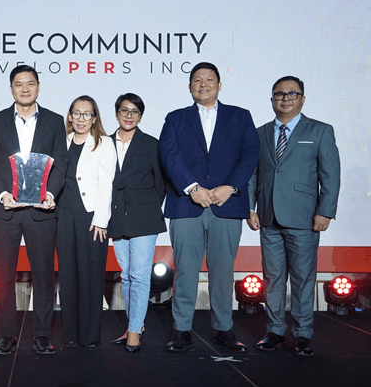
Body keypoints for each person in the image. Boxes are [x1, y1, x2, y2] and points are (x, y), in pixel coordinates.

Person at [159, 62, 259, 352]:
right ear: (189, 86)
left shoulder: (240, 116)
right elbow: (169, 155)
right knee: (185, 270)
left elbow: (250, 154)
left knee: (223, 270)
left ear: (219, 85)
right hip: (186, 204)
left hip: (227, 204)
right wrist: (192, 188)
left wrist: (231, 187)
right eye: (197, 80)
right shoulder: (175, 118)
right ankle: (181, 330)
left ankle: (224, 329)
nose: (203, 84)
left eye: (209, 79)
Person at [0, 65, 69, 355]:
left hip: (41, 211)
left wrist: (51, 193)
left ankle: (42, 334)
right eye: (19, 84)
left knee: (43, 274)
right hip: (5, 210)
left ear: (38, 86)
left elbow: (61, 163)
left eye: (30, 83)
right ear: (11, 89)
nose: (25, 88)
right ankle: (6, 334)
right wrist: (2, 194)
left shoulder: (54, 121)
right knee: (3, 275)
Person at [247, 76, 340, 356]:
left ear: (302, 98)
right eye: (279, 94)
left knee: (302, 278)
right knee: (273, 278)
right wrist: (249, 208)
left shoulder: (321, 131)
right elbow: (252, 175)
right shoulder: (260, 133)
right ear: (272, 99)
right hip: (268, 217)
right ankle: (275, 331)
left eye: (292, 93)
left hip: (304, 218)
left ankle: (302, 334)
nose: (285, 98)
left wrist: (325, 211)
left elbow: (330, 176)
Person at [56, 96, 116, 350]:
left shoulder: (104, 143)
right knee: (68, 276)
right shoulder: (62, 141)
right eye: (77, 113)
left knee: (90, 276)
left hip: (91, 218)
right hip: (63, 216)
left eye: (87, 114)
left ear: (94, 118)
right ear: (70, 116)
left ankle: (90, 336)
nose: (81, 119)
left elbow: (107, 184)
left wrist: (101, 220)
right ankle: (70, 334)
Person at [108, 93, 167, 353]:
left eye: (135, 111)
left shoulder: (151, 144)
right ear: (116, 113)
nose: (129, 115)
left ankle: (133, 331)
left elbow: (160, 184)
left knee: (140, 275)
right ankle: (137, 325)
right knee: (126, 275)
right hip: (116, 216)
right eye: (125, 110)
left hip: (145, 216)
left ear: (140, 116)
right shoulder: (103, 143)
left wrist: (147, 207)